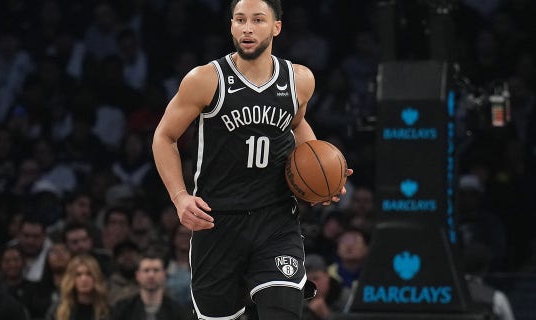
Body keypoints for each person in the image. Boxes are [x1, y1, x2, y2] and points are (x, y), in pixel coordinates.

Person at [151, 0, 353, 318]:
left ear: (276, 27)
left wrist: (323, 174)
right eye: (240, 20)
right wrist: (179, 197)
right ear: (231, 26)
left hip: (275, 218)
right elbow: (164, 137)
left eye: (258, 20)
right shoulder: (205, 79)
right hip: (217, 221)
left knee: (283, 311)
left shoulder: (299, 80)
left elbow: (297, 124)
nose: (247, 27)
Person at [111, 252, 191, 320]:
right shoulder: (123, 309)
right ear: (137, 275)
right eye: (146, 270)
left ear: (164, 274)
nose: (151, 275)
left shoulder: (178, 311)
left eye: (156, 270)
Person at [47, 254, 110, 320]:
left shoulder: (106, 310)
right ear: (71, 279)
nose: (84, 279)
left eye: (89, 274)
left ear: (95, 276)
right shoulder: (58, 310)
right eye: (78, 274)